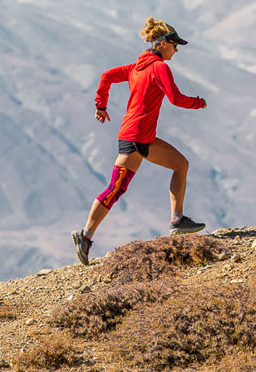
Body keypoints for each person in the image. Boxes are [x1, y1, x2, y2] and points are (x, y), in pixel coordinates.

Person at [71, 17, 209, 265]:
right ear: (163, 43)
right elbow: (175, 98)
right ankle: (85, 235)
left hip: (140, 136)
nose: (176, 50)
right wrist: (198, 103)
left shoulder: (137, 67)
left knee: (180, 164)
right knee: (115, 188)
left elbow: (106, 76)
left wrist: (101, 105)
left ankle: (177, 219)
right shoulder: (159, 68)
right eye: (175, 44)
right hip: (136, 138)